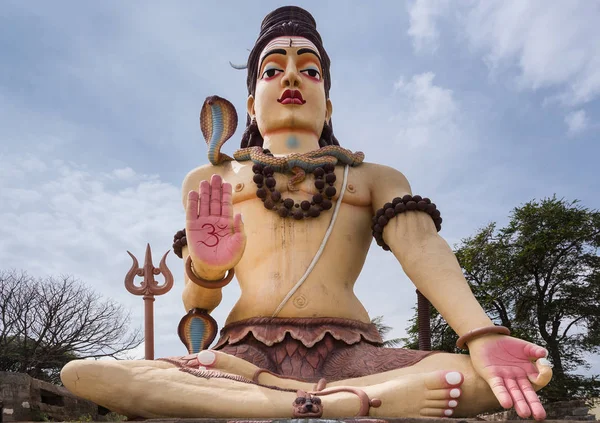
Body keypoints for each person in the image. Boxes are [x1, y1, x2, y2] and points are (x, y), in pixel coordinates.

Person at [61, 6, 552, 420]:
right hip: (242, 352)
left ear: (328, 103)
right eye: (273, 69)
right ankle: (347, 406)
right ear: (251, 103)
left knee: (517, 374)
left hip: (351, 352)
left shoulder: (375, 178)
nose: (292, 77)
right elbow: (198, 302)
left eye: (309, 70)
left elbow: (422, 247)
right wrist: (209, 267)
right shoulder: (212, 180)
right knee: (86, 374)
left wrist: (483, 336)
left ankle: (296, 401)